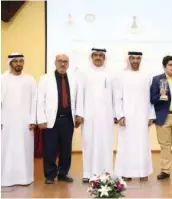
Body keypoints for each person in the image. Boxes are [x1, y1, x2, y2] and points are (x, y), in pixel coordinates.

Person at [76, 48, 116, 183]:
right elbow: (80, 94)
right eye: (95, 55)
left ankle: (107, 172)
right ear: (91, 57)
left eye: (101, 55)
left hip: (106, 116)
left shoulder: (111, 74)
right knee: (88, 143)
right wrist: (79, 113)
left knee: (106, 143)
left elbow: (115, 95)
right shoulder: (84, 73)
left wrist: (116, 114)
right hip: (89, 116)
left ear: (104, 58)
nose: (98, 57)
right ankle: (88, 173)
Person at [114, 51, 156, 181]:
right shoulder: (121, 76)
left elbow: (150, 98)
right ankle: (126, 172)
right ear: (129, 60)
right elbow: (117, 97)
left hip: (142, 117)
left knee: (142, 144)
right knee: (126, 145)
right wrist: (120, 115)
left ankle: (143, 172)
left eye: (138, 58)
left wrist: (150, 115)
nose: (135, 61)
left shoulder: (147, 76)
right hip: (126, 117)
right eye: (133, 58)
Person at [37, 54, 77, 184]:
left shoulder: (73, 79)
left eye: (65, 61)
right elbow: (40, 100)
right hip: (51, 120)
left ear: (68, 64)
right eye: (60, 61)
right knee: (50, 149)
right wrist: (41, 118)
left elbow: (78, 98)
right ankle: (50, 175)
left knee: (66, 149)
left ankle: (63, 173)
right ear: (55, 62)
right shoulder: (45, 79)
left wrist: (78, 116)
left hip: (68, 120)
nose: (63, 64)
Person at [1, 53, 37, 187]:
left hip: (25, 122)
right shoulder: (3, 79)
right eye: (15, 61)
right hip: (6, 122)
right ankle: (6, 178)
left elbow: (35, 100)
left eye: (21, 61)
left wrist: (33, 119)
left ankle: (25, 178)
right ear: (10, 63)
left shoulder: (30, 80)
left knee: (24, 149)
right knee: (7, 150)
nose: (18, 64)